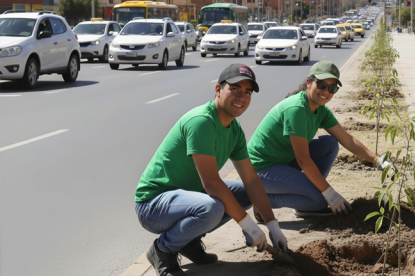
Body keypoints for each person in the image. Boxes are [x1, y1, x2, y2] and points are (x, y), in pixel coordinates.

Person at [135, 64, 287, 276]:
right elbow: (212, 183)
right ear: (218, 89)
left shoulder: (234, 129)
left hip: (187, 198)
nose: (241, 96)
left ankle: (189, 241)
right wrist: (248, 225)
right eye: (234, 89)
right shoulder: (202, 122)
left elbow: (251, 180)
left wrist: (272, 225)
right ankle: (162, 250)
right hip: (153, 205)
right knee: (212, 207)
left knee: (243, 193)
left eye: (247, 92)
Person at [248, 61, 397, 217]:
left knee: (330, 144)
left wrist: (377, 160)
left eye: (332, 88)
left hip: (283, 162)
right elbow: (303, 160)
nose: (326, 91)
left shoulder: (320, 110)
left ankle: (306, 199)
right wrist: (329, 193)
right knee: (319, 200)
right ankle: (261, 202)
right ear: (308, 82)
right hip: (260, 170)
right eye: (321, 84)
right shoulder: (296, 109)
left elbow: (347, 139)